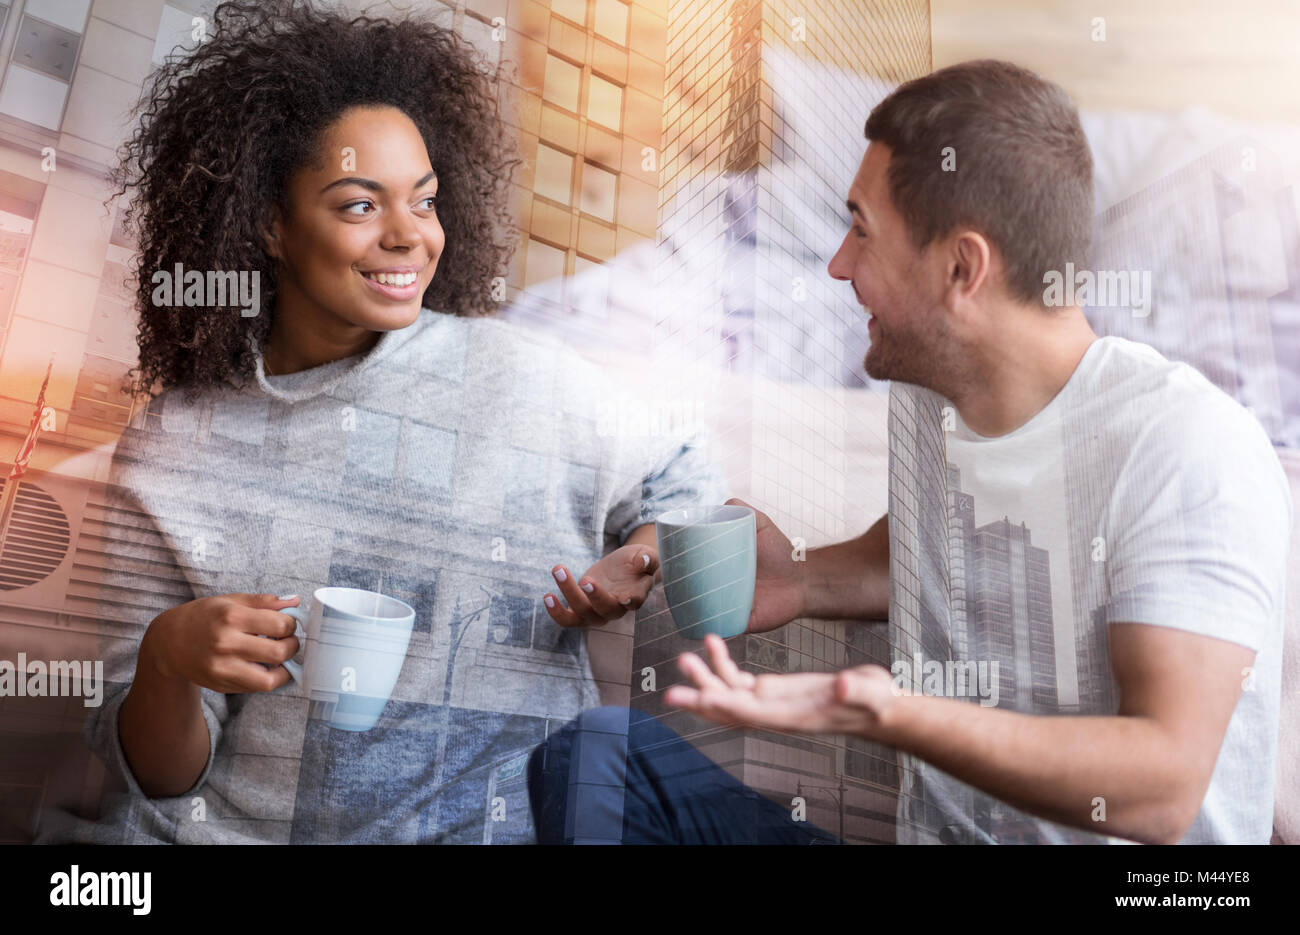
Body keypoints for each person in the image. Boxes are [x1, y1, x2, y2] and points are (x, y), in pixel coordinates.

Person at [536, 59, 1292, 845]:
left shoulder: (1189, 450)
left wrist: (889, 709)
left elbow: (1163, 786)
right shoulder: (933, 400)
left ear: (963, 268)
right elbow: (950, 542)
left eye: (861, 229)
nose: (837, 264)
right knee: (600, 756)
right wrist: (796, 574)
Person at [37, 0, 723, 844]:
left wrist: (639, 554)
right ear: (269, 223)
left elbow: (687, 474)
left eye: (425, 201)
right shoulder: (173, 451)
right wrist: (170, 658)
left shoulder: (520, 377)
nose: (410, 236)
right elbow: (161, 775)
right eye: (361, 205)